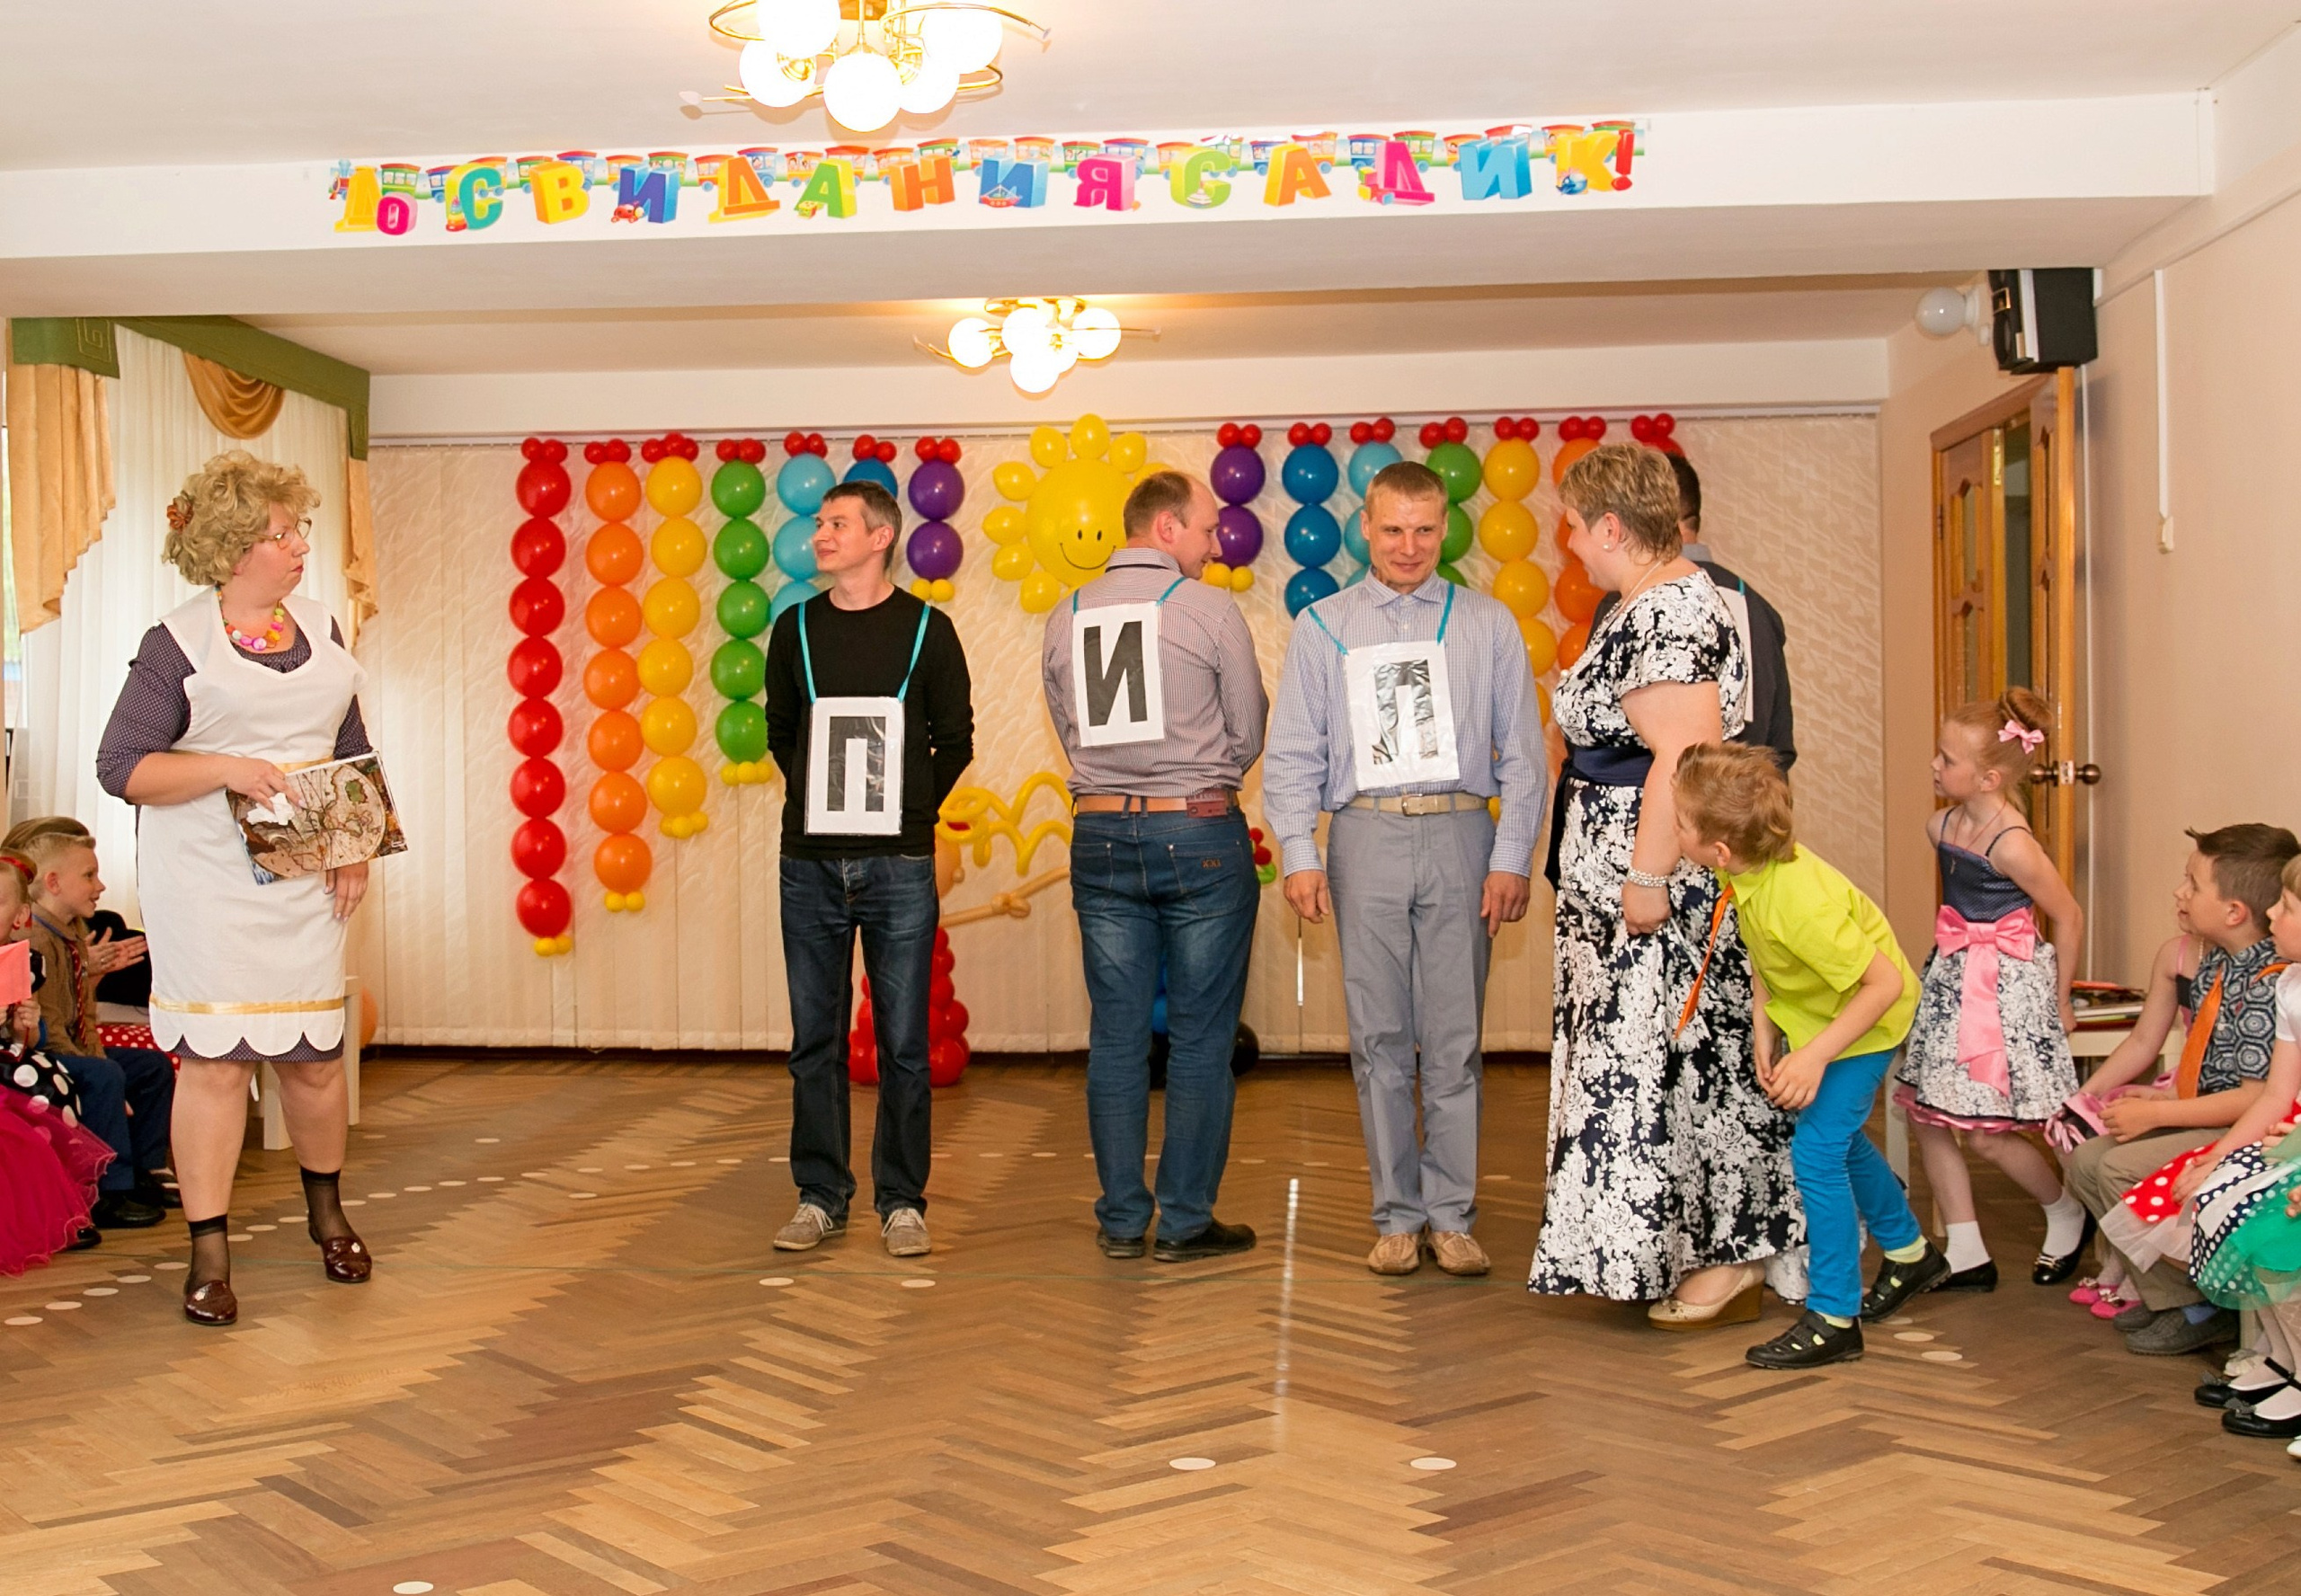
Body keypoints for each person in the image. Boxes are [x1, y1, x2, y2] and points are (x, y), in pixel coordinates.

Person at [95, 449, 378, 1327]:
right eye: (280, 534)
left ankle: (328, 1214)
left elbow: (348, 744)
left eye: (297, 530)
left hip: (304, 875)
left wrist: (354, 846)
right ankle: (208, 1253)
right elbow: (121, 768)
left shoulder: (325, 627)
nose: (299, 547)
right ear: (231, 550)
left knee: (314, 1057)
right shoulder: (175, 642)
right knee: (217, 1066)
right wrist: (226, 768)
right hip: (208, 880)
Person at [1530, 442, 1804, 1322]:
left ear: (1612, 526)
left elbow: (1679, 759)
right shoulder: (1639, 603)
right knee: (1648, 1071)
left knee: (1682, 1067)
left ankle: (1731, 1257)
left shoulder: (1670, 612)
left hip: (1653, 886)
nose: (1568, 543)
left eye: (1573, 527)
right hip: (1612, 883)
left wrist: (1647, 878)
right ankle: (1660, 1249)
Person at [1264, 460, 1546, 1276]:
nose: (1410, 546)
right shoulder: (1322, 627)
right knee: (1379, 1037)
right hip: (1365, 840)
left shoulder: (1488, 625)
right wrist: (1299, 852)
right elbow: (1291, 756)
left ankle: (1452, 1215)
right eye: (1393, 529)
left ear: (1445, 528)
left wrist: (1509, 857)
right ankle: (1396, 1215)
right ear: (1366, 529)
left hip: (1462, 837)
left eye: (1425, 529)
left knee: (1454, 1041)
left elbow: (1524, 757)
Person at [1041, 470, 1267, 1263]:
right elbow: (1247, 730)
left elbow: (1071, 731)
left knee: (1115, 1038)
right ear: (1167, 528)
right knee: (1203, 1040)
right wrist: (1195, 783)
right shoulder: (1208, 609)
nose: (1215, 545)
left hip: (1099, 838)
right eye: (1207, 531)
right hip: (1198, 835)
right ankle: (1184, 1223)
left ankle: (1119, 1221)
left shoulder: (1064, 613)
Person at [1672, 743, 1936, 1367]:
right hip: (1822, 1019)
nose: (1674, 829)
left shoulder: (1800, 900)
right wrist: (1766, 1024)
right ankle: (1911, 1253)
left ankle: (1834, 1315)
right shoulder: (1744, 872)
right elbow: (1765, 954)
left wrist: (1814, 1055)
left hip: (1868, 1023)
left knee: (1816, 1150)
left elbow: (1885, 985)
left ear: (1719, 849)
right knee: (1836, 1138)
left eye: (1682, 822)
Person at [762, 480, 973, 1259]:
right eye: (820, 523)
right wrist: (827, 802)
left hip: (900, 867)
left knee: (904, 1044)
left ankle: (902, 1200)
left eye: (837, 523)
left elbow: (955, 740)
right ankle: (821, 1196)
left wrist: (905, 811)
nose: (821, 534)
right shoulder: (795, 630)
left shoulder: (929, 630)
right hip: (808, 865)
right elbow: (782, 731)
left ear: (879, 538)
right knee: (813, 1038)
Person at [2066, 823, 2298, 1356]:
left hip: (2239, 1123)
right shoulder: (2216, 958)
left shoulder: (2270, 982)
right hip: (2208, 1110)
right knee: (2086, 1161)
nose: (2180, 893)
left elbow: (2255, 1096)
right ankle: (2176, 1295)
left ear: (2235, 910)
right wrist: (2165, 1101)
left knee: (2118, 1167)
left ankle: (2199, 1304)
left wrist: (2163, 1117)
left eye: (2193, 884)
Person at [1895, 689, 2091, 1291]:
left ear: (1988, 778)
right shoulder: (1942, 825)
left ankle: (2064, 1208)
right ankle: (1967, 1248)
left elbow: (2070, 916)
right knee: (1928, 1116)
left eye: (1946, 758)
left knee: (1986, 1133)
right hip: (1955, 975)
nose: (1934, 766)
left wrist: (2059, 1000)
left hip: (2004, 988)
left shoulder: (2015, 846)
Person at [2158, 854, 2301, 1439]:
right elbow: (2276, 1095)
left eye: (2289, 907)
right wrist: (2218, 1157)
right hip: (2292, 1139)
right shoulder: (2291, 983)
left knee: (2274, 1234)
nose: (2273, 913)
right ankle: (2285, 1356)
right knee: (2217, 1195)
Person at [1587, 453, 1794, 767]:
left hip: (1652, 807)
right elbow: (1779, 750)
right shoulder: (1759, 608)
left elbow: (1599, 738)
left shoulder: (1625, 603)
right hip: (1743, 809)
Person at [19, 830, 173, 1232]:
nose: (100, 885)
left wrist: (95, 974)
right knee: (105, 1076)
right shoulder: (38, 937)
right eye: (89, 875)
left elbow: (84, 1015)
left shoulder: (67, 934)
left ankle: (147, 1167)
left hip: (68, 1047)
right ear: (53, 883)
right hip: (42, 1053)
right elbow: (49, 1027)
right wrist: (99, 1068)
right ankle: (110, 1188)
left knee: (151, 1067)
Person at [0, 849, 113, 1269]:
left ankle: (70, 1202)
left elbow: (27, 1038)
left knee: (45, 1081)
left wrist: (23, 1024)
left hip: (9, 1057)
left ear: (18, 917)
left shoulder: (23, 960)